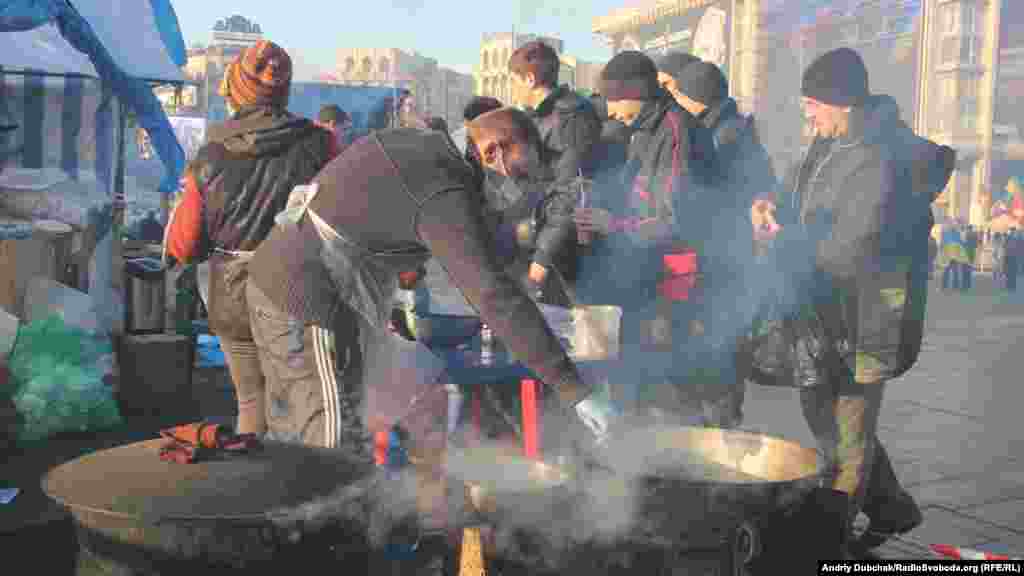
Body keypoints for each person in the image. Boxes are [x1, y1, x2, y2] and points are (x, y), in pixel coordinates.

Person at [242, 107, 616, 454]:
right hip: (305, 299)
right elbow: (492, 294)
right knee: (327, 444)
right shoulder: (441, 186)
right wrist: (574, 389)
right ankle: (324, 504)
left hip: (296, 289)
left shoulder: (425, 147)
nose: (519, 188)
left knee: (316, 435)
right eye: (519, 175)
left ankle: (338, 495)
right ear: (491, 152)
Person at [771, 47, 949, 556]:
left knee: (849, 430)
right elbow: (794, 198)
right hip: (822, 303)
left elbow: (855, 246)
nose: (807, 114)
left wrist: (789, 243)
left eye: (812, 104)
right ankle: (892, 507)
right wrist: (770, 209)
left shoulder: (882, 156)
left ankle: (833, 545)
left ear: (842, 101)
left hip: (871, 312)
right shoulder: (826, 144)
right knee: (822, 412)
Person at [164, 41, 338, 438]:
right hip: (297, 292)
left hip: (234, 295)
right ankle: (306, 473)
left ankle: (258, 474)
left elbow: (186, 244)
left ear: (239, 88)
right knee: (306, 404)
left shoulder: (211, 153)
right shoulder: (321, 144)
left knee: (251, 401)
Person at [573, 50, 717, 421]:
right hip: (645, 270)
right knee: (636, 375)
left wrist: (613, 225)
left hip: (678, 278)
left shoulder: (676, 132)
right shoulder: (643, 129)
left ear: (636, 95)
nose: (612, 113)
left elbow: (673, 220)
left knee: (670, 382)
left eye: (616, 102)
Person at [662, 58, 777, 428]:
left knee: (717, 354)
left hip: (721, 262)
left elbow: (713, 198)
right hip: (720, 259)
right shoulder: (728, 129)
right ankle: (715, 426)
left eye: (678, 94)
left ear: (696, 99)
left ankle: (720, 434)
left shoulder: (722, 136)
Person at [507, 40, 603, 306]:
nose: (511, 88)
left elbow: (571, 190)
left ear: (529, 79)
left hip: (566, 254)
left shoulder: (571, 117)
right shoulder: (539, 117)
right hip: (540, 240)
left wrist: (542, 257)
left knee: (568, 323)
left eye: (513, 81)